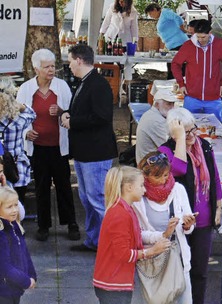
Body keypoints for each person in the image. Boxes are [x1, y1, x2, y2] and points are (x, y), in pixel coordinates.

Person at [158, 108, 222, 304]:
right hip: (180, 223)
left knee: (200, 271)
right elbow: (178, 169)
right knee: (178, 270)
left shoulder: (204, 145)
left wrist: (218, 206)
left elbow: (215, 176)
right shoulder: (165, 151)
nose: (192, 135)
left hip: (203, 220)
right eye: (185, 132)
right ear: (174, 133)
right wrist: (179, 140)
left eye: (193, 129)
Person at [16, 49, 79, 242]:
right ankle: (43, 226)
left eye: (53, 66)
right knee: (42, 187)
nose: (51, 70)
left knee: (63, 186)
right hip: (38, 147)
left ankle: (71, 224)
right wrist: (25, 133)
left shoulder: (62, 86)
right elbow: (17, 118)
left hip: (59, 146)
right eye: (47, 67)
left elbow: (71, 113)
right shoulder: (26, 89)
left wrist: (60, 112)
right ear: (36, 69)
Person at [61, 44, 118, 252]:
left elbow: (102, 117)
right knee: (87, 199)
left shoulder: (98, 84)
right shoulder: (87, 82)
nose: (69, 66)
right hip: (86, 152)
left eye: (70, 61)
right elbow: (84, 110)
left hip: (96, 153)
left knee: (98, 199)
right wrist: (68, 114)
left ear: (78, 60)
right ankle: (94, 240)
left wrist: (73, 121)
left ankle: (111, 244)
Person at [93, 166, 170, 304]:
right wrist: (150, 252)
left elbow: (136, 237)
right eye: (141, 185)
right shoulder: (120, 214)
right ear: (129, 187)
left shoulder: (125, 209)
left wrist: (164, 235)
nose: (144, 190)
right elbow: (122, 254)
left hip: (114, 282)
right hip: (113, 284)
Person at [133, 151, 197, 304]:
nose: (163, 180)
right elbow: (137, 234)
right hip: (151, 263)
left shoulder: (178, 190)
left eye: (166, 175)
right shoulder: (138, 196)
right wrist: (163, 234)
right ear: (145, 175)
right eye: (158, 176)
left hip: (178, 259)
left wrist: (188, 225)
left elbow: (188, 227)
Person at [171, 20, 222, 118]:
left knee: (214, 129)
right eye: (198, 36)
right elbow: (175, 64)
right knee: (189, 127)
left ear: (210, 33)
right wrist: (181, 84)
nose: (200, 40)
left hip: (213, 97)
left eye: (203, 37)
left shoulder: (219, 44)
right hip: (191, 97)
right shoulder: (188, 45)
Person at [0, 78, 36, 213]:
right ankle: (16, 230)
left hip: (0, 168)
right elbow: (32, 113)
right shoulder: (18, 121)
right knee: (16, 207)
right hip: (16, 169)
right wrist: (19, 105)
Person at [0, 186, 36, 304]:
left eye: (16, 205)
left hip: (15, 288)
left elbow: (25, 253)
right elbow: (4, 267)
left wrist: (32, 275)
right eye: (9, 207)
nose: (15, 210)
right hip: (4, 291)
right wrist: (26, 281)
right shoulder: (2, 234)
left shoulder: (14, 226)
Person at [144, 3, 189, 80]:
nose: (150, 16)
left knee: (177, 68)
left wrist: (182, 28)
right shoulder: (161, 17)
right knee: (173, 68)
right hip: (172, 45)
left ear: (155, 9)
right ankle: (174, 87)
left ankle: (178, 87)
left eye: (150, 13)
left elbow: (177, 17)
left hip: (179, 43)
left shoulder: (165, 12)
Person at [99, 0, 139, 81]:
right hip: (110, 38)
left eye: (123, 1)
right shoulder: (112, 7)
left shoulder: (133, 12)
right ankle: (107, 82)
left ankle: (122, 84)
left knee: (122, 64)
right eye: (119, 1)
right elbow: (106, 21)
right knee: (107, 63)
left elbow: (134, 28)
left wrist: (135, 42)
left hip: (124, 40)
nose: (121, 3)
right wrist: (101, 34)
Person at [135, 90, 177, 164]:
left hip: (148, 160)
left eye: (173, 104)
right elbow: (169, 148)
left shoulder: (151, 113)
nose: (172, 108)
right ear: (157, 105)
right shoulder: (157, 121)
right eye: (169, 104)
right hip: (151, 166)